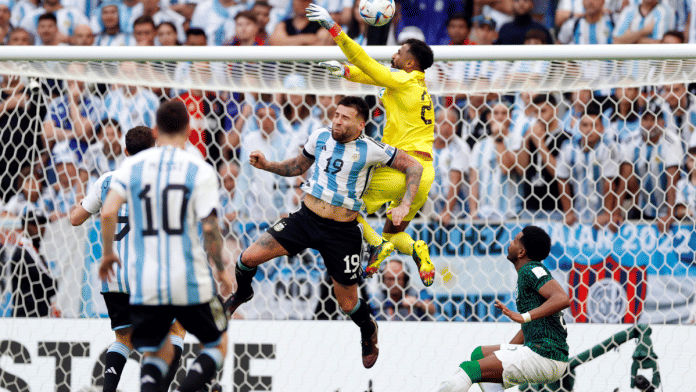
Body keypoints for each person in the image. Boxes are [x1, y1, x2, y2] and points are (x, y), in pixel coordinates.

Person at [224, 96, 424, 369]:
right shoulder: (319, 137)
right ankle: (242, 294)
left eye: (344, 117)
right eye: (336, 115)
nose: (337, 121)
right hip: (305, 220)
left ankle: (368, 330)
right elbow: (297, 166)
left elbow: (415, 166)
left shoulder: (371, 148)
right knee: (247, 258)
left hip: (342, 232)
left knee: (348, 303)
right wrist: (267, 165)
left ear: (360, 123)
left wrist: (405, 204)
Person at [98, 100, 233, 392]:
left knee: (157, 352)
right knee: (218, 344)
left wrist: (108, 253)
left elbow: (108, 212)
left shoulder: (131, 166)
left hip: (146, 280)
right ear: (188, 129)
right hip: (189, 277)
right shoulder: (200, 170)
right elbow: (210, 228)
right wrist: (221, 270)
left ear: (155, 130)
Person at [307, 4, 436, 286]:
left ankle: (376, 244)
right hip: (425, 173)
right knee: (394, 234)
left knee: (340, 200)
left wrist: (335, 30)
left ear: (411, 63)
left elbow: (367, 63)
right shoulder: (416, 86)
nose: (393, 54)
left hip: (403, 168)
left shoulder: (403, 80)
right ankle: (417, 249)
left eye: (400, 52)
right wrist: (345, 72)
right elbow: (372, 75)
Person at [69, 126, 185, 392]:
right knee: (175, 329)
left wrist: (80, 205)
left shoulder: (107, 180)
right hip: (149, 276)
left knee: (123, 337)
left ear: (125, 151)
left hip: (114, 278)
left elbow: (75, 219)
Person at [429, 226, 570, 392]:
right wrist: (506, 356)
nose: (510, 242)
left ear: (521, 252)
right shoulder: (527, 275)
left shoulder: (531, 269)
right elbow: (532, 326)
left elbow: (562, 298)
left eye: (516, 240)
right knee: (480, 354)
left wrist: (524, 317)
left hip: (545, 355)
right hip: (545, 354)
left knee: (469, 369)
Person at [556, 103, 622, 231]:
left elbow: (609, 182)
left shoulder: (608, 148)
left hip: (602, 217)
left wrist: (607, 214)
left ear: (602, 128)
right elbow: (562, 180)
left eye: (594, 125)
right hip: (577, 215)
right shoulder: (568, 147)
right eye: (585, 125)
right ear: (579, 127)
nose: (589, 129)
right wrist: (568, 212)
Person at [9, 210, 58, 317]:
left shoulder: (35, 253)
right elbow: (50, 285)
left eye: (42, 223)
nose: (40, 227)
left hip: (37, 317)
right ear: (25, 226)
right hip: (26, 318)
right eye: (35, 224)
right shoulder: (23, 253)